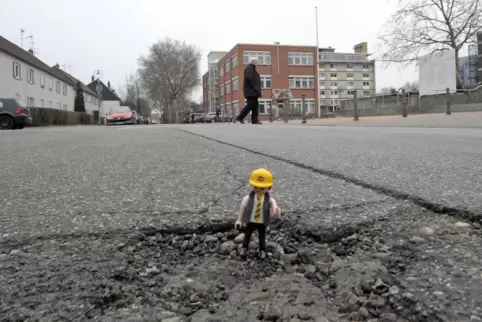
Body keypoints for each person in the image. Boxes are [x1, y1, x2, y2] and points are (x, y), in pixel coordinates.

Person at [235, 168, 282, 260]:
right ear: (251, 185)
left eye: (262, 188)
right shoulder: (247, 198)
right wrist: (239, 220)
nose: (259, 189)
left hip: (262, 222)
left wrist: (276, 211)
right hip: (251, 220)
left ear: (269, 187)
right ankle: (244, 247)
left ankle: (262, 250)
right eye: (256, 187)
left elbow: (274, 206)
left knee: (262, 236)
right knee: (247, 234)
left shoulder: (269, 199)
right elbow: (242, 209)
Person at [236, 57, 262, 124]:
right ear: (253, 61)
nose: (257, 63)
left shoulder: (251, 69)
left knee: (255, 105)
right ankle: (240, 117)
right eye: (256, 61)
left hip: (252, 91)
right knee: (251, 105)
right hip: (251, 91)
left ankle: (254, 120)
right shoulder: (249, 68)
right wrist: (254, 88)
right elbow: (249, 78)